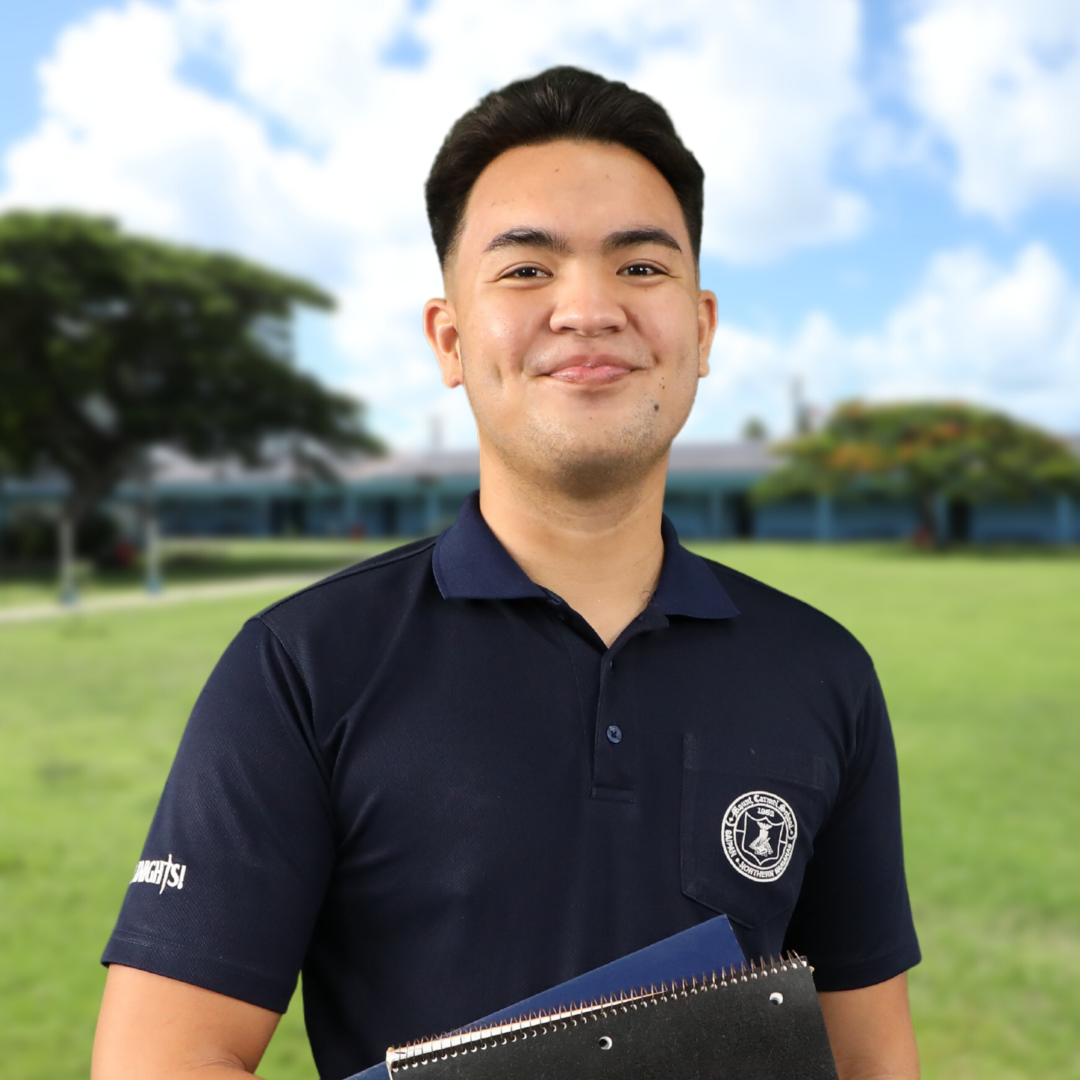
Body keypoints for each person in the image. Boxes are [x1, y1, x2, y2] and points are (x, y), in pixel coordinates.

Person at [92, 67, 921, 1080]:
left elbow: (869, 1058)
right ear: (449, 337)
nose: (588, 309)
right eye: (527, 271)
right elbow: (162, 1061)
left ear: (702, 333)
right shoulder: (302, 669)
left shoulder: (821, 672)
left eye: (641, 268)